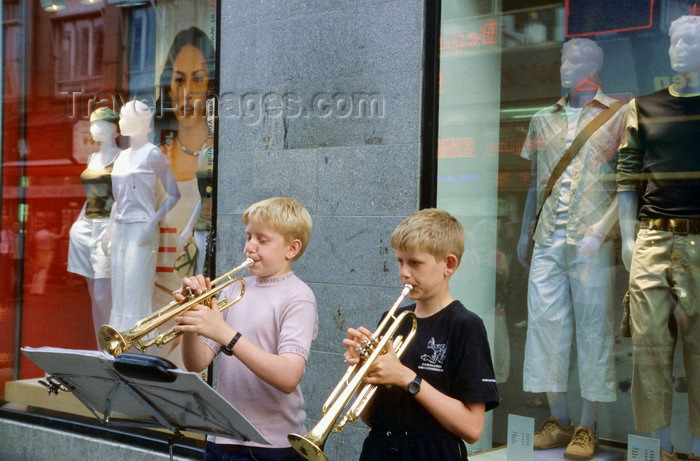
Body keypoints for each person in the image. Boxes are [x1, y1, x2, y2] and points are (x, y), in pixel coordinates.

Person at [516, 38, 626, 459]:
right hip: (547, 238)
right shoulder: (543, 118)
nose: (565, 65)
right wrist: (526, 231)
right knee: (545, 327)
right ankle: (558, 419)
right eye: (563, 57)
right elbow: (533, 182)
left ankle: (587, 425)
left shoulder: (618, 114)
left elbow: (628, 184)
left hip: (591, 240)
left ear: (594, 65)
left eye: (574, 58)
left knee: (594, 329)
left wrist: (604, 229)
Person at [342, 208, 499, 461]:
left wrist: (407, 378)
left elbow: (472, 428)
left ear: (449, 264)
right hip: (381, 450)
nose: (404, 272)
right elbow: (370, 418)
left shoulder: (465, 325)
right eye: (400, 261)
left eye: (415, 262)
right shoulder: (391, 320)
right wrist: (363, 372)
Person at [172, 197, 318, 461]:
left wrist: (225, 334)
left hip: (272, 445)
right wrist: (191, 319)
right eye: (248, 237)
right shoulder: (234, 288)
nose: (250, 247)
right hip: (222, 438)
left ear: (292, 248)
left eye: (262, 240)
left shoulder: (298, 296)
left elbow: (288, 377)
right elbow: (196, 364)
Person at [616, 15, 700, 461]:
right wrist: (629, 241)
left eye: (689, 39)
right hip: (653, 238)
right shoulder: (643, 106)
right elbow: (627, 177)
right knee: (648, 351)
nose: (678, 47)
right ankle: (661, 450)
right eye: (674, 40)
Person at [107, 100, 180, 333]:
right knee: (119, 287)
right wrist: (109, 232)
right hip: (120, 227)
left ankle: (137, 337)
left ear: (141, 122)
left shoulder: (153, 154)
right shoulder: (120, 157)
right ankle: (117, 337)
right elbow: (118, 200)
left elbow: (174, 194)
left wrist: (152, 222)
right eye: (121, 117)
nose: (121, 122)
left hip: (141, 227)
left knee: (136, 285)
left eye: (125, 117)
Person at [153, 27, 216, 288]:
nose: (187, 92)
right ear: (168, 88)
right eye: (179, 80)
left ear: (210, 87)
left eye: (197, 80)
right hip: (154, 293)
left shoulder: (216, 156)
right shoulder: (155, 158)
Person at [67, 107, 121, 346]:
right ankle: (102, 349)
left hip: (106, 225)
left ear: (114, 129)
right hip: (85, 226)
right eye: (92, 124)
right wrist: (76, 224)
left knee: (103, 292)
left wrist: (111, 227)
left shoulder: (122, 157)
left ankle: (115, 344)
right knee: (92, 291)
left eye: (99, 124)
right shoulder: (91, 158)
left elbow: (121, 198)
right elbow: (88, 197)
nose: (93, 129)